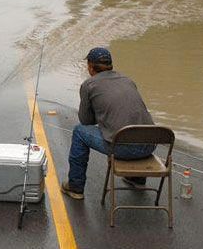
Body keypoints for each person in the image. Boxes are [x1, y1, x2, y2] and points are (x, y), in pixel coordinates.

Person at [62, 47, 156, 200]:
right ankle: (138, 179)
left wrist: (100, 114)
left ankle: (75, 187)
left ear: (90, 67)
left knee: (79, 132)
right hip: (150, 145)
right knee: (132, 128)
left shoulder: (89, 85)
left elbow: (86, 121)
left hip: (123, 148)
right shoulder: (127, 80)